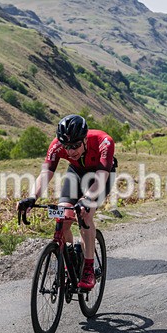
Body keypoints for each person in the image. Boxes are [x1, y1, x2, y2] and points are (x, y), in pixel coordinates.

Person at [17, 114, 116, 290]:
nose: (71, 151)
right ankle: (69, 258)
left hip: (100, 176)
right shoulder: (56, 145)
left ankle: (88, 268)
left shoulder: (104, 141)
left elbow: (101, 178)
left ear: (85, 139)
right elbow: (46, 173)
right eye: (67, 147)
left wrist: (86, 199)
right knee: (62, 216)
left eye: (76, 145)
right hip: (76, 173)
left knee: (85, 215)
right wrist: (32, 197)